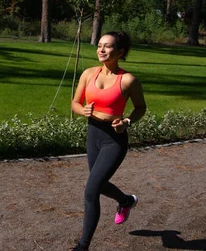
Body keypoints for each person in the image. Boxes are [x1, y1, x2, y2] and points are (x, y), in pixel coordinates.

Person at [69, 31, 147, 251]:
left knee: (91, 191)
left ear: (120, 52)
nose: (101, 50)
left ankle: (82, 246)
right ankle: (126, 201)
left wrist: (127, 122)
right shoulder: (88, 74)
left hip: (114, 139)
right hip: (93, 134)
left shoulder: (128, 80)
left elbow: (141, 108)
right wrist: (82, 110)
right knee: (99, 184)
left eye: (108, 46)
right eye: (99, 45)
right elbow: (75, 103)